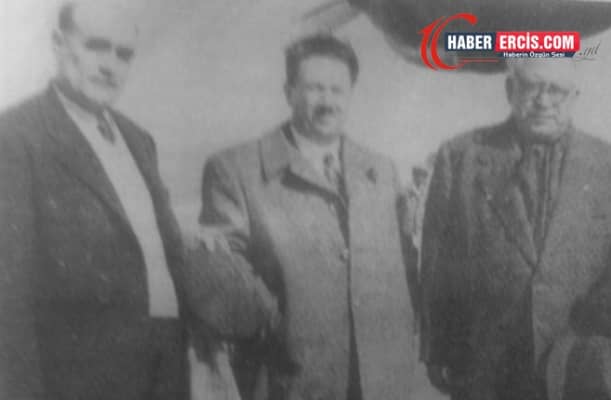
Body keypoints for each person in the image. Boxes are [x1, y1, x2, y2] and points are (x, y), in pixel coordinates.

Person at [186, 33, 418, 400]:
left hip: (380, 384)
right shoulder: (235, 169)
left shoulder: (381, 171)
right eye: (314, 89)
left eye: (338, 90)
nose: (327, 102)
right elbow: (224, 279)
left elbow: (404, 266)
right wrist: (283, 327)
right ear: (289, 92)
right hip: (291, 381)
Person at [0, 2, 189, 399]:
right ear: (59, 44)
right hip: (75, 383)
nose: (110, 65)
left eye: (124, 54)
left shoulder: (139, 140)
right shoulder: (15, 137)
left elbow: (166, 260)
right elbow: (8, 296)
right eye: (97, 46)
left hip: (162, 378)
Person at [421, 58, 611, 400]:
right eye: (531, 87)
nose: (543, 101)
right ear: (510, 90)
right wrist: (438, 348)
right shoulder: (461, 156)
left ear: (575, 97)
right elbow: (438, 266)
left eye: (556, 90)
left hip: (578, 368)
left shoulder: (604, 163)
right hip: (487, 366)